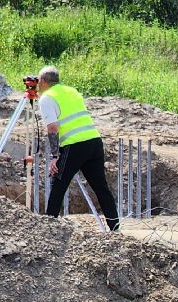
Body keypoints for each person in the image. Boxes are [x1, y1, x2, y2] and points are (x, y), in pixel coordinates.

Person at [36, 66, 119, 230]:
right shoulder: (72, 91)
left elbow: (52, 128)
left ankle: (48, 228)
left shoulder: (47, 98)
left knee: (58, 185)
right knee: (101, 188)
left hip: (74, 145)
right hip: (94, 142)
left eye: (38, 81)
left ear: (43, 82)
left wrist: (54, 156)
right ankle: (115, 227)